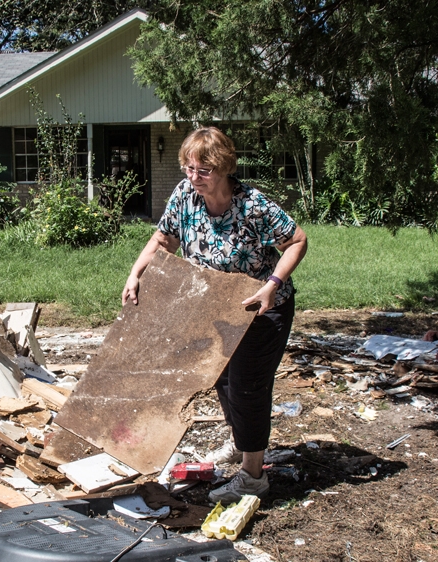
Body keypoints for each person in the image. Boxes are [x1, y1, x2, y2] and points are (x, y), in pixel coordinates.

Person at [122, 126, 307, 503]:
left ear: (224, 167)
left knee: (247, 387)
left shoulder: (253, 205)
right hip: (214, 307)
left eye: (203, 171)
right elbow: (163, 239)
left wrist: (272, 283)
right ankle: (243, 445)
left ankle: (253, 478)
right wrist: (136, 273)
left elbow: (298, 240)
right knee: (222, 381)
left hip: (260, 308)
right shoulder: (185, 196)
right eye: (188, 168)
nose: (194, 177)